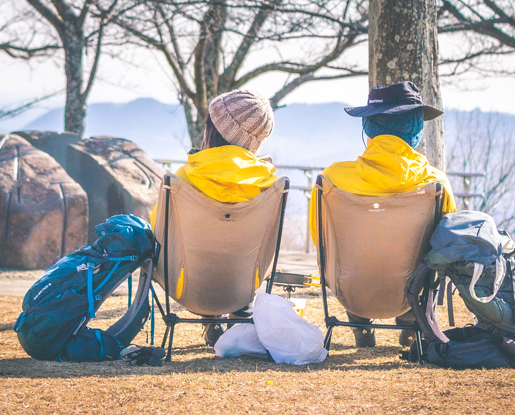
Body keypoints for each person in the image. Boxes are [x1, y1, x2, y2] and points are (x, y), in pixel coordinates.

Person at [308, 81, 457, 347]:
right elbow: (446, 245)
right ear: (416, 131)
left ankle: (361, 325)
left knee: (351, 260)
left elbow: (322, 240)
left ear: (367, 128)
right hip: (411, 290)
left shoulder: (331, 180)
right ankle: (413, 321)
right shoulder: (436, 184)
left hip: (352, 289)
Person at [151, 89, 277, 346]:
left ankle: (211, 318)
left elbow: (159, 233)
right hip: (242, 284)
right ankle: (240, 310)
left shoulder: (181, 180)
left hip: (186, 286)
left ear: (213, 130)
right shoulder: (270, 185)